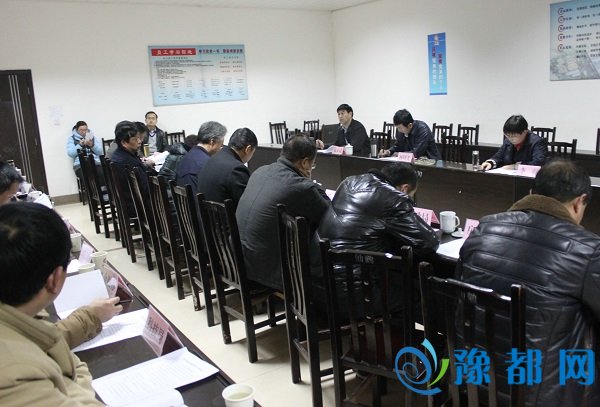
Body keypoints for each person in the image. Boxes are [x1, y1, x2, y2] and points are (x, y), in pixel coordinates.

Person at [456, 159, 600, 406]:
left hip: (472, 379)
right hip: (538, 393)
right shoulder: (589, 250)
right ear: (579, 201)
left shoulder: (485, 226)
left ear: (532, 192)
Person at [0, 202, 109, 405]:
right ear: (55, 279)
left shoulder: (20, 316)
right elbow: (73, 368)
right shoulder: (14, 375)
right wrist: (75, 381)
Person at [318, 162, 440, 313]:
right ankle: (397, 328)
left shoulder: (349, 182)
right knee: (424, 295)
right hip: (352, 293)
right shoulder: (393, 198)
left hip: (321, 283)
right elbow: (429, 242)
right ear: (404, 188)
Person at [237, 134, 331, 290]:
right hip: (266, 272)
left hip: (239, 259)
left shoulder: (259, 171)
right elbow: (328, 216)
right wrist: (310, 183)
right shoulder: (300, 186)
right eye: (312, 164)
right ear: (305, 162)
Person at [197, 127, 257, 208]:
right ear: (248, 149)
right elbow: (247, 205)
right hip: (226, 215)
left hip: (207, 214)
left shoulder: (213, 158)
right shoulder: (237, 169)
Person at [111, 121, 156, 216]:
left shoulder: (119, 155)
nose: (139, 141)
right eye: (134, 139)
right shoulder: (127, 161)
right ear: (124, 142)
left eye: (139, 138)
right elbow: (145, 188)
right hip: (139, 206)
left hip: (132, 202)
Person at [176, 121, 226, 196]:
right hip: (197, 202)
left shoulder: (187, 156)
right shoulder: (207, 164)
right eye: (221, 144)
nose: (220, 148)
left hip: (183, 202)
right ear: (212, 142)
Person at [480, 114, 547, 170]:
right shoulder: (508, 141)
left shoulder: (537, 142)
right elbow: (499, 156)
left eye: (514, 136)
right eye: (507, 135)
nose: (510, 139)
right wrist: (490, 163)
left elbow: (538, 163)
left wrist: (515, 166)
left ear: (525, 131)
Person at [66, 120, 105, 185]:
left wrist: (92, 145)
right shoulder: (72, 138)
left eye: (85, 130)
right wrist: (80, 145)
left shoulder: (92, 137)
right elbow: (71, 153)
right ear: (77, 130)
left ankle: (103, 190)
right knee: (86, 178)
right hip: (79, 164)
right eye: (81, 130)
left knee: (102, 174)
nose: (84, 132)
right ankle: (90, 191)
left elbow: (100, 152)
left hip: (95, 162)